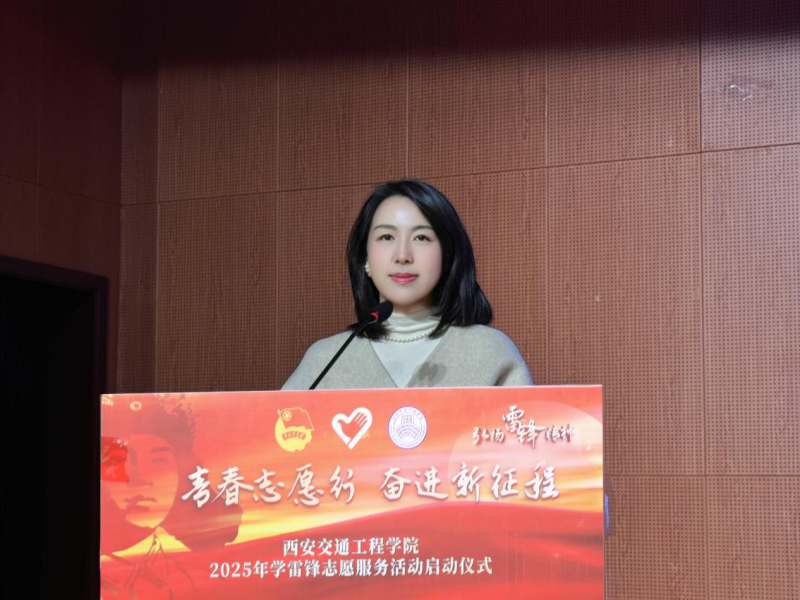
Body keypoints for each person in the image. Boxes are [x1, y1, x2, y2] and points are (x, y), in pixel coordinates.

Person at [283, 179, 533, 390]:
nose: (402, 255)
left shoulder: (490, 351)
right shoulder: (325, 359)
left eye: (421, 237)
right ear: (365, 258)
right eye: (386, 237)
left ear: (447, 256)